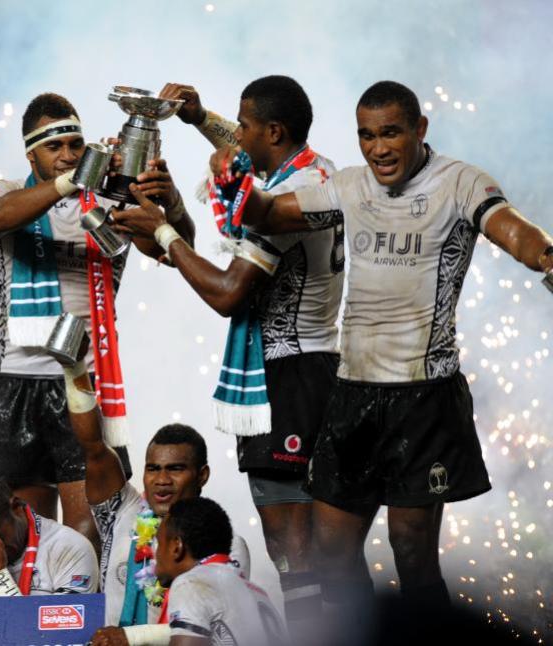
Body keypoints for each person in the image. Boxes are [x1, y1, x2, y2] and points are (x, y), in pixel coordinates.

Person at [229, 80, 553, 637]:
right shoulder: (349, 187)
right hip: (351, 392)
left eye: (391, 133)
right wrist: (232, 174)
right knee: (331, 553)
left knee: (411, 552)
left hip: (423, 396)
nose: (378, 148)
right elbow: (263, 214)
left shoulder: (460, 181)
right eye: (366, 135)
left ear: (419, 129)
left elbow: (516, 233)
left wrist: (549, 257)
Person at [116, 78, 341, 635]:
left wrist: (167, 232)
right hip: (320, 368)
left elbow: (227, 294)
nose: (234, 136)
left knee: (292, 549)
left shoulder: (278, 206)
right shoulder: (313, 170)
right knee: (323, 547)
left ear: (273, 132)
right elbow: (249, 150)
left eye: (244, 125)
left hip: (284, 379)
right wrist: (197, 117)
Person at [0, 92, 195, 541]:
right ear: (30, 152)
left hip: (84, 380)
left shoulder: (108, 205)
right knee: (19, 533)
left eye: (76, 144)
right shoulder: (2, 193)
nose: (68, 156)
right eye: (55, 147)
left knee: (88, 528)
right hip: (16, 379)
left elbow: (175, 249)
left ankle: (88, 613)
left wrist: (169, 202)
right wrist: (70, 182)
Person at [56, 344, 249, 646]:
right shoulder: (122, 510)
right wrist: (74, 368)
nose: (161, 480)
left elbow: (212, 628)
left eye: (175, 469)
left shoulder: (225, 544)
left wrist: (130, 638)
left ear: (202, 475)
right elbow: (93, 446)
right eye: (153, 469)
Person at [155, 497, 287, 646]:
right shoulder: (260, 594)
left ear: (176, 547)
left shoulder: (191, 584)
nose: (156, 555)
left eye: (159, 544)